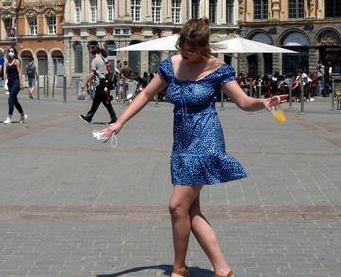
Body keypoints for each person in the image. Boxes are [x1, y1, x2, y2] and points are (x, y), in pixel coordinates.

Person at [95, 18, 286, 277]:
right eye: (182, 46)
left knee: (176, 206)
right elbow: (145, 94)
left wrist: (263, 102)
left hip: (206, 139)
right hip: (182, 142)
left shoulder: (217, 68)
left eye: (190, 49)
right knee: (190, 209)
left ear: (203, 48)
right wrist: (119, 122)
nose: (184, 52)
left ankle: (178, 269)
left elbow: (243, 101)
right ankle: (223, 270)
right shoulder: (171, 65)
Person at [80, 46, 116, 124]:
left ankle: (89, 118)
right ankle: (113, 118)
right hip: (104, 83)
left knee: (98, 103)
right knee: (104, 102)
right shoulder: (103, 59)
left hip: (100, 84)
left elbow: (92, 74)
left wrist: (85, 83)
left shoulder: (95, 60)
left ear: (93, 52)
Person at [3, 48, 28, 124]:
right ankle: (22, 115)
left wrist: (21, 83)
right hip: (9, 83)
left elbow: (19, 72)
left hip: (16, 82)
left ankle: (9, 117)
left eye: (12, 51)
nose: (10, 52)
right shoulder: (7, 63)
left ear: (15, 53)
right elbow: (6, 73)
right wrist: (5, 82)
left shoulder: (17, 61)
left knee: (10, 99)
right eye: (9, 51)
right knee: (14, 100)